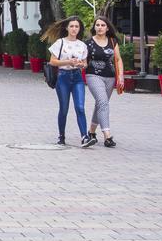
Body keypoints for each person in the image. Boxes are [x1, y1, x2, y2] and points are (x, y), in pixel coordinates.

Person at [42, 16, 95, 147]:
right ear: (67, 28)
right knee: (64, 108)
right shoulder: (60, 43)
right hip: (63, 77)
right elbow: (52, 61)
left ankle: (84, 137)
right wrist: (68, 62)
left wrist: (81, 65)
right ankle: (61, 135)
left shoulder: (82, 45)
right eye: (71, 26)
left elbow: (85, 63)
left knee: (80, 107)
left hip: (77, 77)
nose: (74, 29)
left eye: (77, 27)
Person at [85, 15, 125, 148]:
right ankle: (107, 136)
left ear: (107, 28)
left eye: (102, 25)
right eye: (97, 25)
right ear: (94, 27)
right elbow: (84, 61)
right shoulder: (88, 43)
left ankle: (91, 132)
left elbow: (118, 59)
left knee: (101, 104)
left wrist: (121, 77)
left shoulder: (113, 41)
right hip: (93, 75)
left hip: (110, 77)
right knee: (103, 102)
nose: (100, 27)